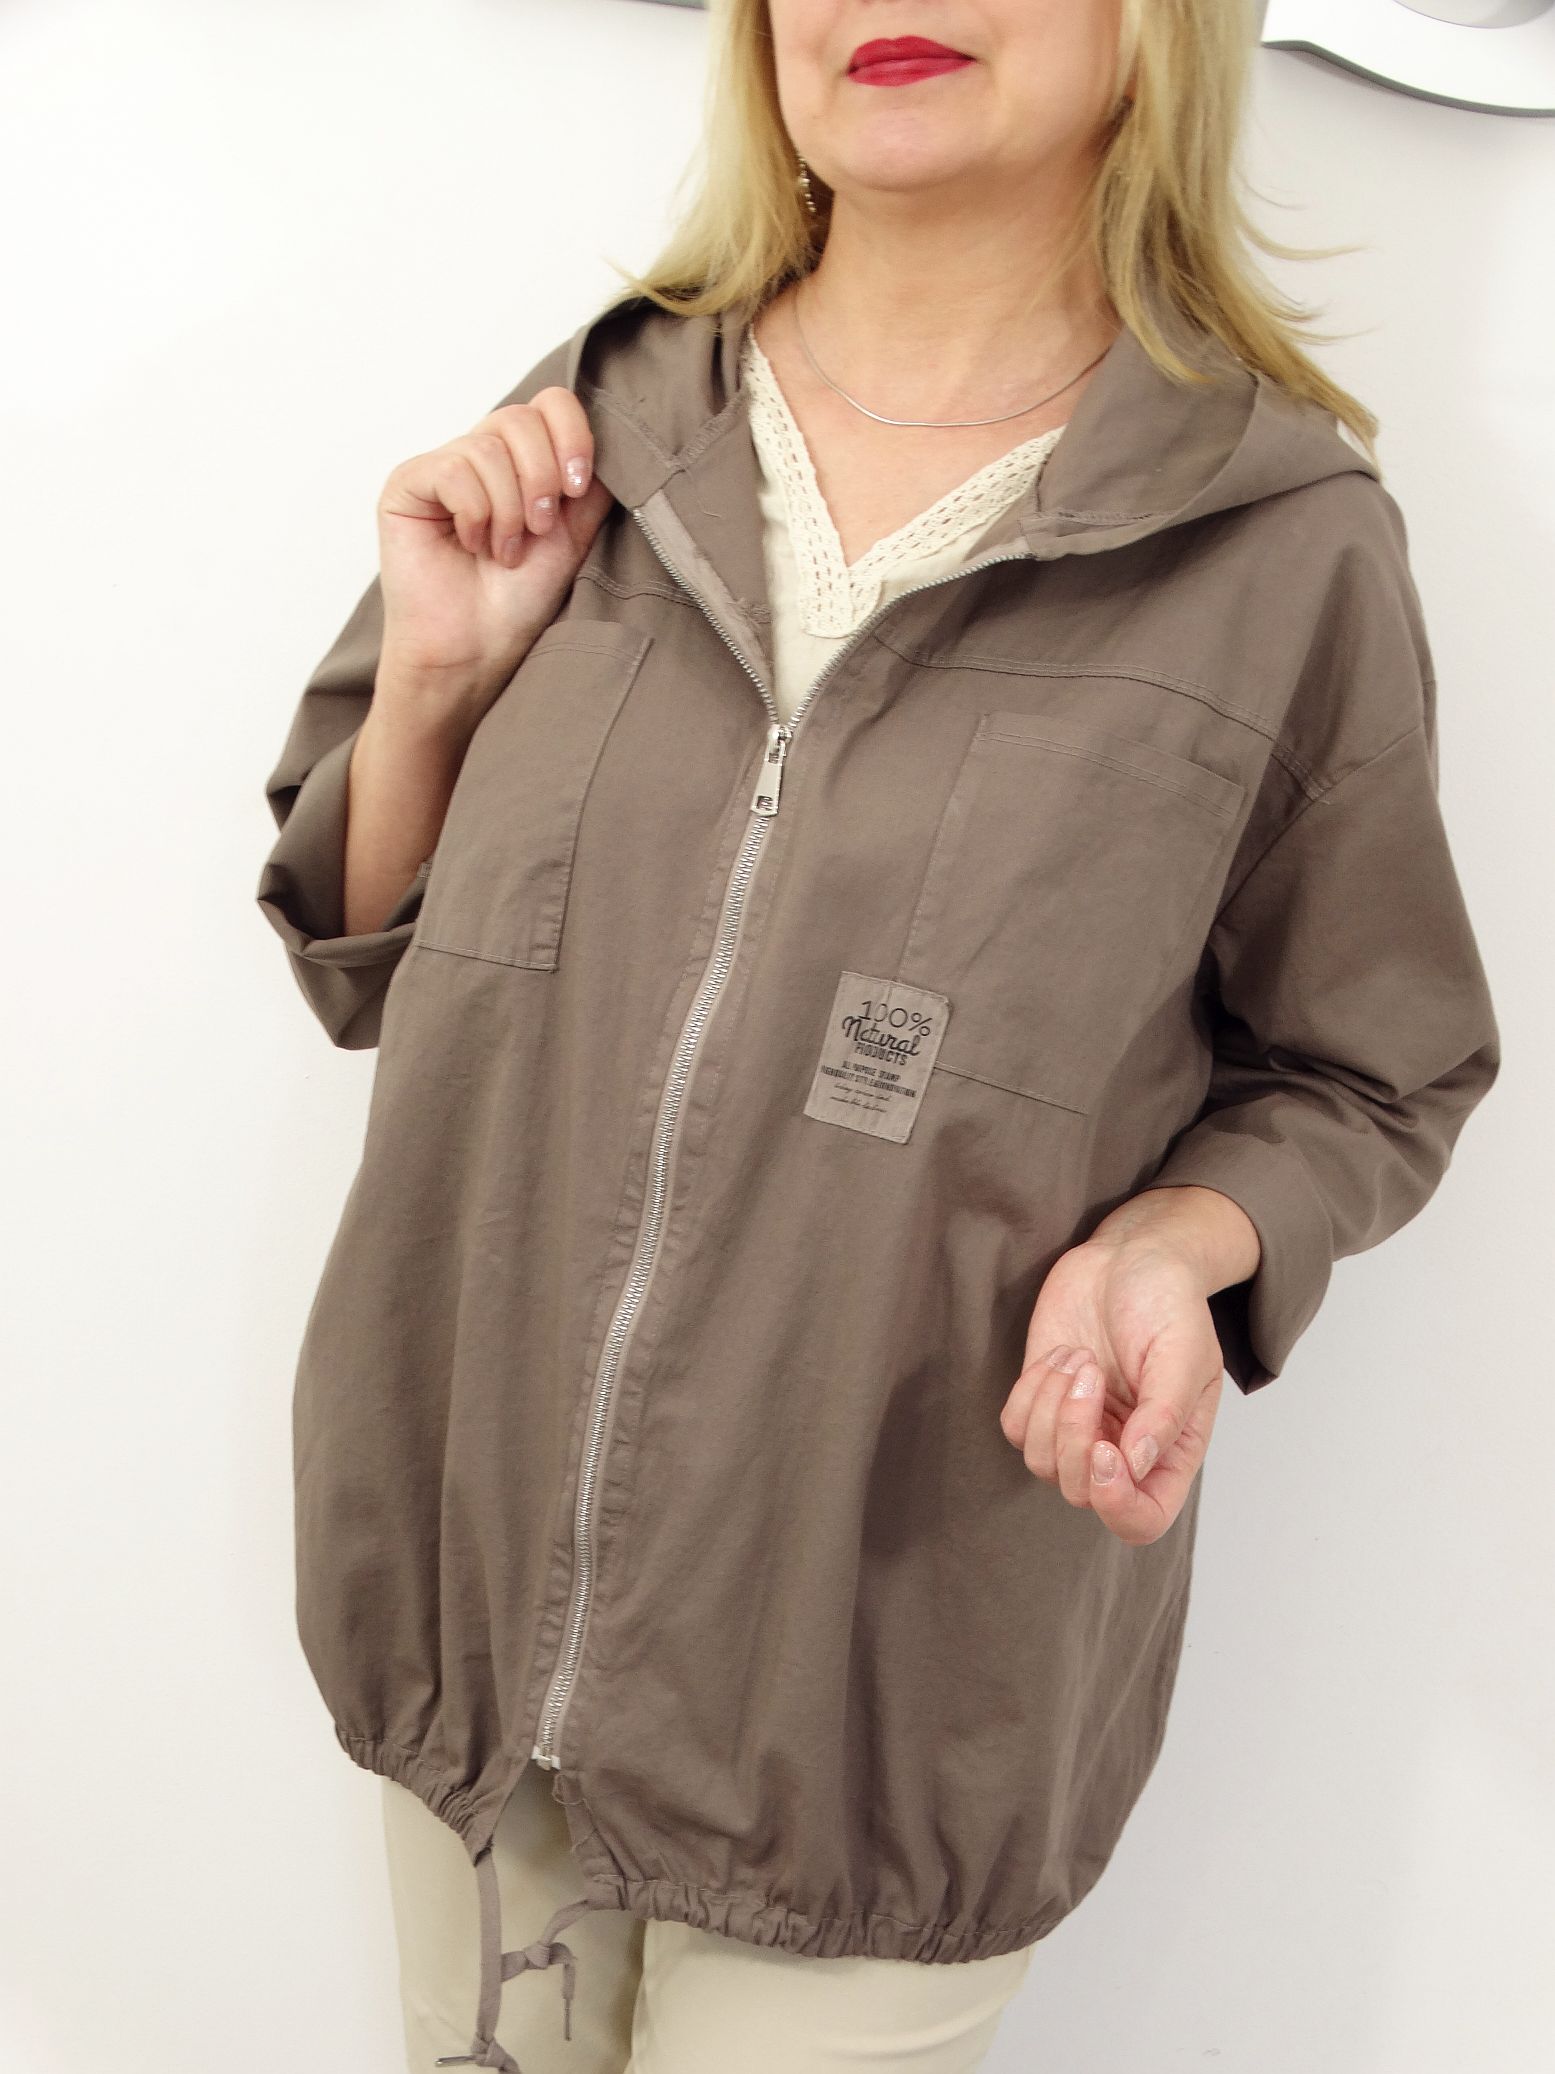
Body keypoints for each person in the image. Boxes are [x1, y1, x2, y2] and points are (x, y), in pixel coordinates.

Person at [255, 3, 1502, 2070]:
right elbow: (362, 951)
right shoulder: (603, 423)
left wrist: (1176, 1243)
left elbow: (1369, 1065)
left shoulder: (1276, 543)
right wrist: (439, 687)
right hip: (466, 1629)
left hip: (875, 1696)